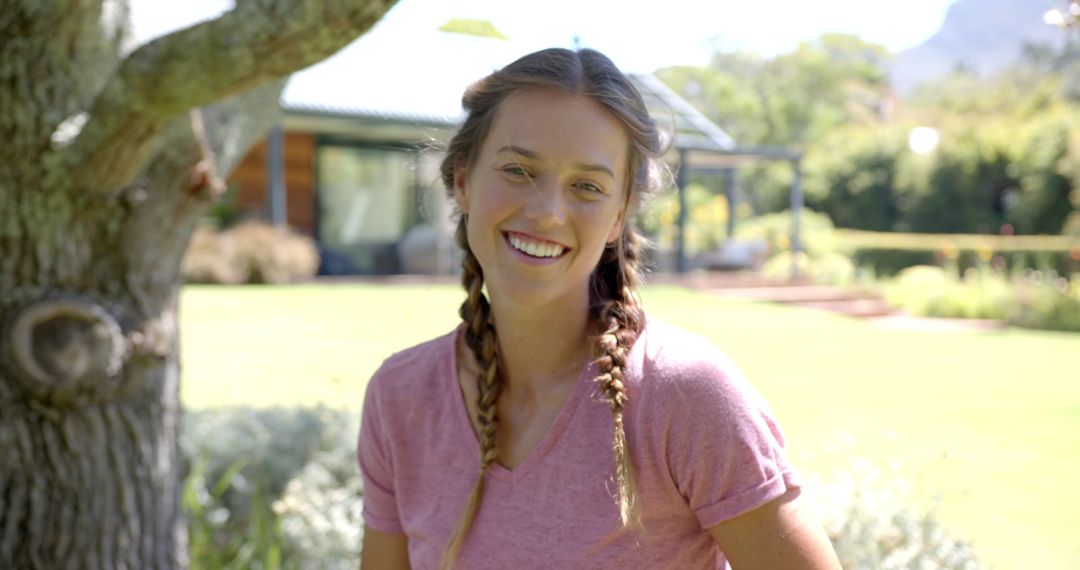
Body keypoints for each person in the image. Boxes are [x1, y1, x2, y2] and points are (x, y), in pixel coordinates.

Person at [357, 47, 840, 570]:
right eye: (518, 170)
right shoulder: (400, 396)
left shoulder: (685, 397)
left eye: (587, 186)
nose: (546, 212)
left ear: (618, 217)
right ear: (462, 182)